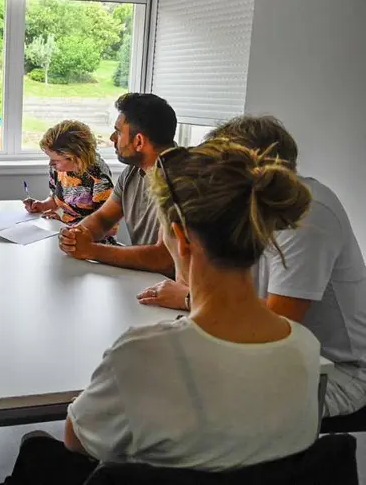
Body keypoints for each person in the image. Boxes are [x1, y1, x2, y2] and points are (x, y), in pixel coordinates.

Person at [1, 139, 320, 484]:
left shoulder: (141, 353)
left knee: (36, 449)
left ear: (180, 238)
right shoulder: (305, 348)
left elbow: (76, 439)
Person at [138, 115, 366, 417]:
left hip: (333, 373)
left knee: (178, 401)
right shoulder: (245, 211)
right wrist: (174, 234)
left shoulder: (307, 216)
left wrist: (188, 299)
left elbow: (282, 320)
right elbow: (193, 281)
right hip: (270, 352)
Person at [58, 93, 176, 276]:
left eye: (119, 131)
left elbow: (164, 259)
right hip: (147, 280)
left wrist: (91, 250)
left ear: (139, 141)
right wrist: (76, 234)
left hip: (177, 291)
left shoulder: (181, 180)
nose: (113, 137)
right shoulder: (133, 171)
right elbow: (103, 218)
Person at [24, 120, 116, 233]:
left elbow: (109, 226)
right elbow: (56, 198)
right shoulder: (58, 168)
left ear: (75, 158)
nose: (50, 164)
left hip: (92, 242)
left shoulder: (98, 176)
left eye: (56, 160)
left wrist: (66, 226)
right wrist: (41, 205)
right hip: (66, 233)